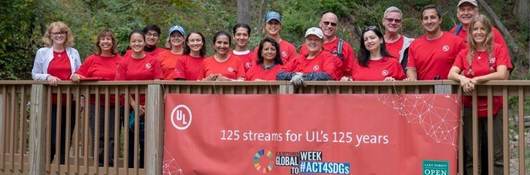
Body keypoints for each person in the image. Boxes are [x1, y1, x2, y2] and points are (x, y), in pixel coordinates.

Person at [448, 15, 511, 175]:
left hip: (494, 106)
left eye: (482, 28)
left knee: (497, 154)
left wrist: (476, 80)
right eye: (475, 29)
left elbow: (501, 73)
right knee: (472, 154)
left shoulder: (497, 49)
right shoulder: (465, 53)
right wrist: (462, 78)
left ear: (489, 31)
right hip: (470, 107)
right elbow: (451, 73)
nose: (478, 32)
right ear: (471, 32)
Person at [31, 21, 81, 164]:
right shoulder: (42, 52)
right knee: (52, 135)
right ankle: (47, 165)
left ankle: (61, 166)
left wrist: (76, 76)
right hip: (50, 101)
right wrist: (48, 77)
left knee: (66, 135)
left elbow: (80, 72)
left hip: (70, 100)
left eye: (62, 33)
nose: (59, 35)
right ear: (50, 35)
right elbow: (35, 74)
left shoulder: (73, 52)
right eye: (56, 33)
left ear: (66, 35)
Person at [71, 29, 121, 166]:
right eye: (103, 39)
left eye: (109, 39)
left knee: (112, 135)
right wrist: (75, 77)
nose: (106, 41)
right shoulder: (91, 59)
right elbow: (78, 74)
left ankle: (109, 164)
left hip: (114, 102)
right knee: (98, 134)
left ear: (113, 42)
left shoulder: (119, 60)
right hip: (95, 102)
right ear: (99, 42)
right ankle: (99, 164)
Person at [116, 29, 162, 168]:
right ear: (130, 43)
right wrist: (135, 105)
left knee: (147, 141)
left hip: (150, 106)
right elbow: (121, 86)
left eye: (139, 41)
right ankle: (131, 169)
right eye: (134, 41)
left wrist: (147, 105)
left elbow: (158, 81)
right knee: (131, 140)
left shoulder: (153, 61)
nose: (137, 43)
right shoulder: (124, 62)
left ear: (144, 42)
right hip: (129, 107)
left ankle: (145, 169)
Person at [406, 4, 466, 80]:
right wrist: (412, 81)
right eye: (425, 18)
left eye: (433, 17)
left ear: (440, 20)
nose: (429, 21)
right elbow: (411, 69)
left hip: (450, 90)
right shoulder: (414, 44)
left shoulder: (456, 41)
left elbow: (467, 66)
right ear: (422, 22)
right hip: (424, 90)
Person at [300, 11, 357, 79]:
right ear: (320, 23)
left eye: (333, 24)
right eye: (326, 23)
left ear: (337, 27)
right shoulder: (306, 46)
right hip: (309, 87)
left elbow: (353, 72)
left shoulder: (345, 47)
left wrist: (348, 79)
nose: (329, 26)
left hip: (335, 87)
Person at [382, 6, 414, 70]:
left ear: (401, 24)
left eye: (397, 20)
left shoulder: (410, 44)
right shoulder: (374, 43)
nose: (393, 22)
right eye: (390, 19)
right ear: (383, 21)